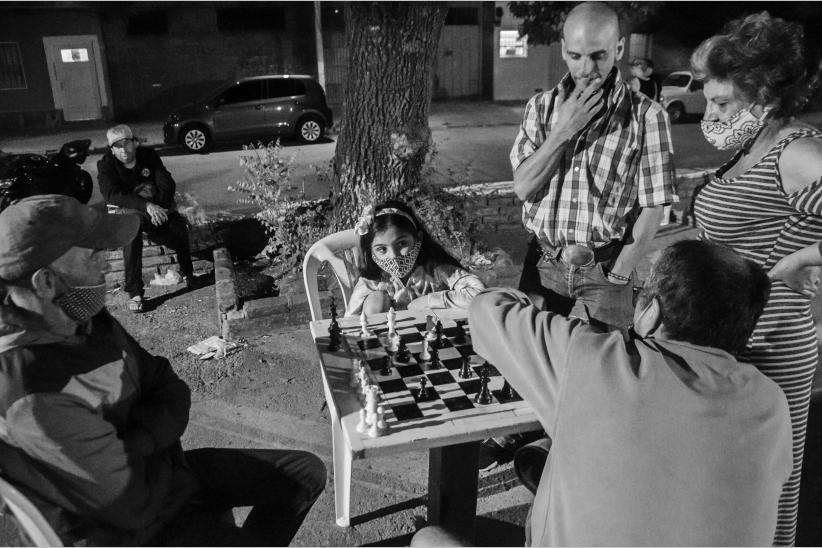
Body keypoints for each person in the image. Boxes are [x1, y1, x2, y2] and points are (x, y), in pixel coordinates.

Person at [414, 240, 793, 547]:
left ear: (650, 314)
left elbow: (486, 308)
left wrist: (537, 306)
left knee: (428, 539)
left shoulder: (592, 360)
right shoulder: (771, 405)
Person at [0, 192, 326, 546]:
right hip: (132, 529)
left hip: (167, 478)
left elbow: (167, 383)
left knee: (305, 475)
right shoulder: (30, 392)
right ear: (46, 282)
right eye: (94, 255)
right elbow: (130, 505)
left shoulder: (82, 316)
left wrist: (138, 443)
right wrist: (157, 432)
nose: (108, 265)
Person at [690, 12, 822, 546]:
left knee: (766, 488)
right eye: (708, 99)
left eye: (721, 102)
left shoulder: (797, 151)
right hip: (732, 338)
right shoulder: (754, 145)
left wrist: (799, 261)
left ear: (765, 94)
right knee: (724, 488)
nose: (710, 112)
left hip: (772, 346)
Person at [510, 1, 676, 332]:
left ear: (618, 49)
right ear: (563, 50)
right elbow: (523, 187)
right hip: (544, 262)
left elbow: (654, 205)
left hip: (606, 267)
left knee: (611, 369)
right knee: (533, 363)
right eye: (576, 56)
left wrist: (620, 272)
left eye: (598, 55)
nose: (586, 68)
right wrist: (562, 131)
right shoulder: (540, 108)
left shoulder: (647, 116)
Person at [97, 124, 195, 313]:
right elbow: (113, 195)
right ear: (112, 149)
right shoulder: (106, 165)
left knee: (179, 225)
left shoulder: (148, 156)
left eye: (126, 143)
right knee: (131, 232)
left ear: (135, 143)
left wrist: (161, 207)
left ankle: (189, 273)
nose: (123, 150)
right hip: (129, 211)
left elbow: (166, 181)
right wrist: (147, 207)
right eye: (117, 146)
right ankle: (135, 292)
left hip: (157, 208)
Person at [345, 200, 486, 317]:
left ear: (418, 238)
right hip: (389, 345)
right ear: (370, 252)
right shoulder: (370, 283)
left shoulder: (437, 270)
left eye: (402, 243)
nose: (394, 256)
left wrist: (429, 301)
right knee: (376, 299)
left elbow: (481, 294)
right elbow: (349, 323)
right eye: (382, 249)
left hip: (434, 344)